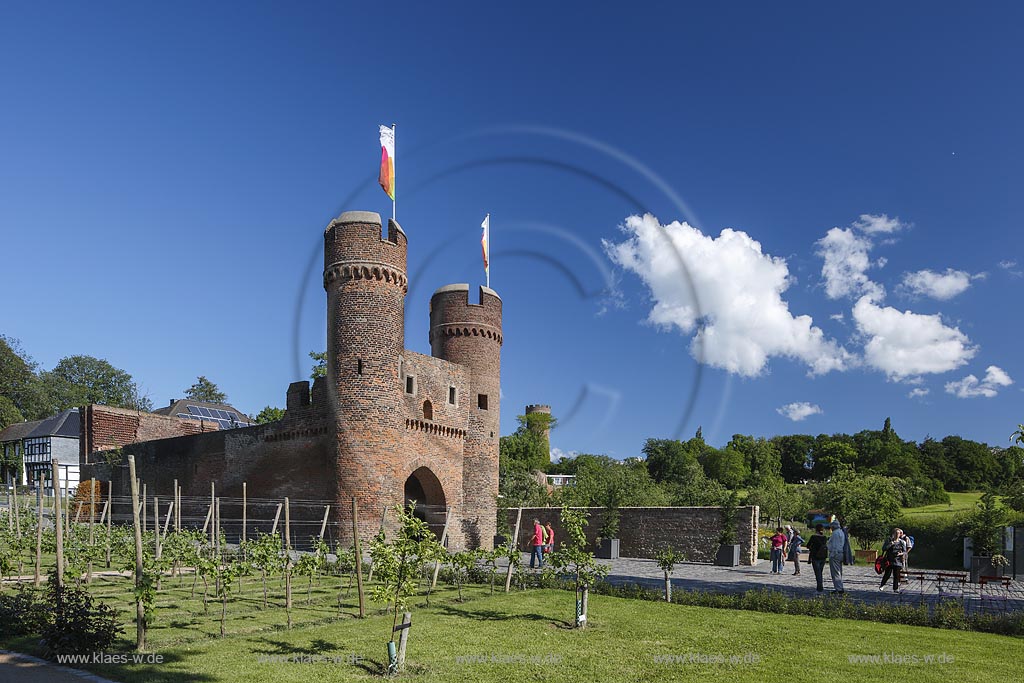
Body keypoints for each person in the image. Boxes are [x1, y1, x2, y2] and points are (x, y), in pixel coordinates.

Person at [806, 524, 828, 592]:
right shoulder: (824, 537)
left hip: (815, 556)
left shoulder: (813, 537)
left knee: (817, 572)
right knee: (820, 572)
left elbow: (808, 545)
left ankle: (819, 587)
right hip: (823, 556)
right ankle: (820, 585)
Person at [826, 521, 845, 593]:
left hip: (835, 554)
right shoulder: (841, 532)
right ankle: (840, 586)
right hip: (840, 553)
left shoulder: (835, 533)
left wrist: (832, 554)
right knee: (839, 571)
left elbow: (834, 545)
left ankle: (838, 588)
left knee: (835, 572)